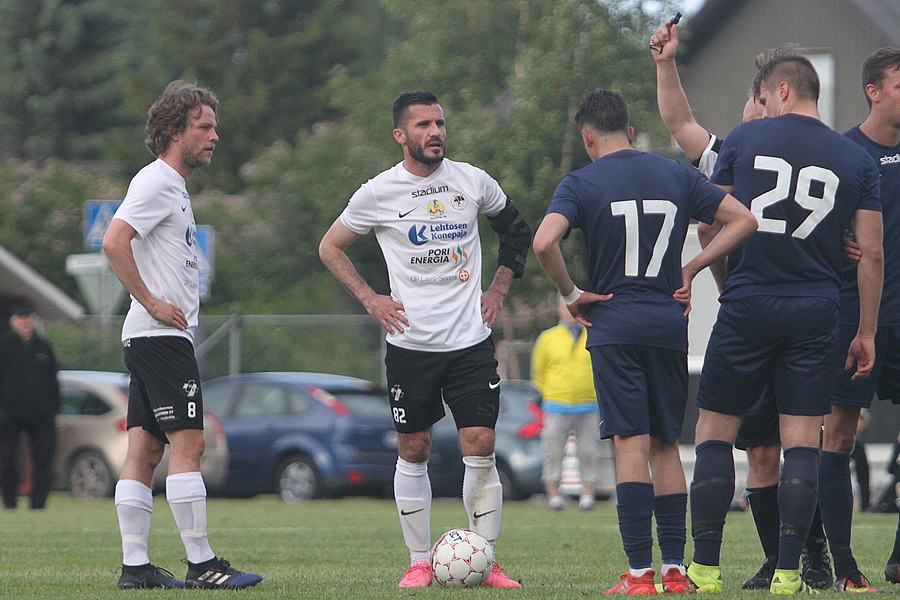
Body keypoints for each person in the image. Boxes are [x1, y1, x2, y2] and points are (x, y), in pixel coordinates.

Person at [533, 89, 757, 595]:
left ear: (589, 138)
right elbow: (744, 219)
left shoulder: (581, 181)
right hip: (666, 324)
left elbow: (544, 241)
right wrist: (694, 267)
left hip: (613, 325)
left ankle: (639, 575)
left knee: (629, 444)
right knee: (664, 446)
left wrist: (571, 294)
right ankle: (676, 572)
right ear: (630, 132)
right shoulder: (676, 174)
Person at [685, 45, 883, 595]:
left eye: (764, 97)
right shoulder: (855, 159)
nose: (762, 106)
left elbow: (710, 225)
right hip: (818, 308)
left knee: (714, 433)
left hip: (750, 300)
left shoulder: (746, 139)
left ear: (782, 92)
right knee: (801, 440)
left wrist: (724, 284)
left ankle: (704, 567)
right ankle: (791, 571)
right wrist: (864, 330)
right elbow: (870, 254)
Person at [318, 90, 531, 589]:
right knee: (413, 447)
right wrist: (371, 300)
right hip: (411, 347)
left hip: (470, 342)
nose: (434, 132)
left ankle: (487, 558)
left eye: (439, 123)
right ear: (400, 136)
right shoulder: (378, 192)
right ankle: (418, 560)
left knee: (480, 443)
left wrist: (499, 286)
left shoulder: (473, 181)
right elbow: (330, 247)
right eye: (422, 125)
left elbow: (517, 232)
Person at [649, 19, 833, 591]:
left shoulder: (809, 156)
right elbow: (680, 123)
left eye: (754, 101)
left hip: (776, 316)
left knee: (788, 443)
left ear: (772, 97)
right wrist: (665, 64)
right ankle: (778, 560)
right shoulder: (733, 153)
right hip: (762, 314)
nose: (749, 112)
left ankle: (811, 556)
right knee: (764, 454)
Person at [102, 81, 262, 590]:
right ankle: (202, 565)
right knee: (188, 442)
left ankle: (135, 568)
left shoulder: (173, 186)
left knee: (144, 451)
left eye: (214, 126)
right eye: (204, 127)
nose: (215, 136)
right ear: (175, 131)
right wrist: (151, 301)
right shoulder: (156, 182)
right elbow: (113, 240)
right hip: (159, 336)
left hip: (149, 338)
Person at [820, 45, 900, 592]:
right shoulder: (842, 154)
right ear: (874, 91)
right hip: (857, 320)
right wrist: (835, 244)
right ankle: (844, 566)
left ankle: (899, 557)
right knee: (840, 434)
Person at [530, 295, 604, 512]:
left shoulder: (593, 333)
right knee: (553, 451)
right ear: (558, 310)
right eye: (565, 306)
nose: (570, 310)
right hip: (556, 404)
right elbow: (538, 372)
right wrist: (551, 393)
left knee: (589, 452)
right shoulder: (547, 338)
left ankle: (587, 496)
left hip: (589, 404)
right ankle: (554, 497)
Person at [0, 305, 60, 510]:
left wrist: (53, 409)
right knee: (6, 459)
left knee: (43, 461)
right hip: (9, 415)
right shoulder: (4, 347)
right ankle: (10, 502)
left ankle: (38, 504)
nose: (25, 322)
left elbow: (54, 382)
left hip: (42, 416)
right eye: (20, 317)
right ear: (13, 321)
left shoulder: (44, 347)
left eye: (28, 317)